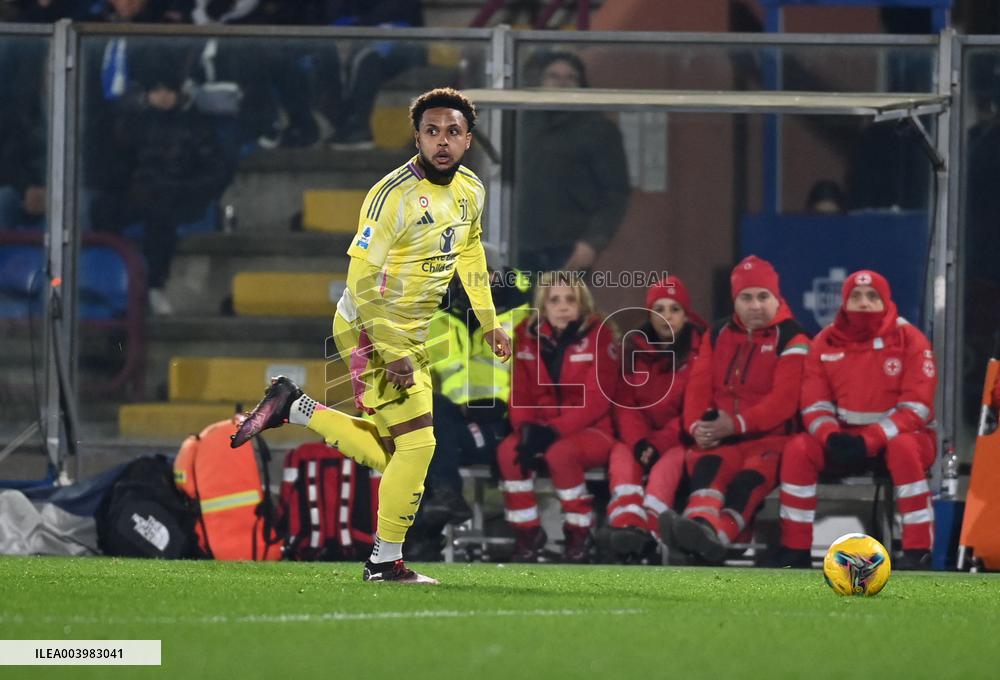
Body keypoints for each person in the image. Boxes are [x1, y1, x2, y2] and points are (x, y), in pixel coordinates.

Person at [231, 88, 510, 584]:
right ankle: (384, 561)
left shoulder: (471, 190)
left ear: (468, 140)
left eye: (452, 132)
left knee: (396, 453)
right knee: (420, 446)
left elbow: (469, 255)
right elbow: (360, 282)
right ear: (417, 137)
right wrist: (391, 349)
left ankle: (294, 407)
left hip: (413, 335)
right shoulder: (392, 196)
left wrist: (488, 322)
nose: (442, 141)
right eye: (432, 131)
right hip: (368, 330)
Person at [775, 270, 937, 570]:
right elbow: (813, 403)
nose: (864, 303)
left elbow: (917, 407)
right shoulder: (824, 343)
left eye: (872, 296)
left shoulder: (910, 340)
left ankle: (918, 550)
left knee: (903, 448)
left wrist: (871, 439)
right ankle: (794, 550)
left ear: (886, 301)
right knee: (799, 449)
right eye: (856, 296)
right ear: (844, 302)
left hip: (902, 440)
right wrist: (830, 436)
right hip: (843, 442)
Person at [659, 255, 810, 565]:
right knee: (707, 472)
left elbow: (784, 402)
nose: (755, 305)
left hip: (771, 442)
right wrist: (697, 428)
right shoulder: (717, 334)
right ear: (735, 300)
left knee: (746, 485)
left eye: (762, 296)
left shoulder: (794, 337)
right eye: (746, 297)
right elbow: (698, 388)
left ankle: (704, 540)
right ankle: (700, 531)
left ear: (777, 297)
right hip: (723, 439)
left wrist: (737, 424)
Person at [497, 273, 619, 563]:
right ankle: (527, 533)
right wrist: (526, 431)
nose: (563, 306)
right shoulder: (525, 336)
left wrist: (552, 431)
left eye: (570, 299)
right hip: (542, 427)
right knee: (508, 452)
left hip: (593, 430)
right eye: (555, 300)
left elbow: (597, 401)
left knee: (560, 454)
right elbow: (520, 393)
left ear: (582, 303)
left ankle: (579, 534)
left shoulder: (600, 336)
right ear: (543, 304)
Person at [605, 275, 706, 562]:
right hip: (642, 437)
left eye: (674, 309)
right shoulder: (635, 349)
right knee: (621, 453)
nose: (666, 317)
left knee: (669, 464)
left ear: (686, 314)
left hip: (680, 439)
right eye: (659, 309)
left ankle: (653, 527)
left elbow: (693, 409)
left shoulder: (700, 352)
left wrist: (657, 444)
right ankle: (628, 528)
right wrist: (639, 442)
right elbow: (625, 404)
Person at [514, 51, 630, 273]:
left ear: (582, 85)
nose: (561, 83)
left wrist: (592, 243)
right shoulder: (520, 121)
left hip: (569, 248)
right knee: (521, 307)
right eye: (553, 76)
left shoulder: (598, 129)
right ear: (541, 82)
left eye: (570, 78)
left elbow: (616, 193)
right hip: (518, 243)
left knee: (565, 307)